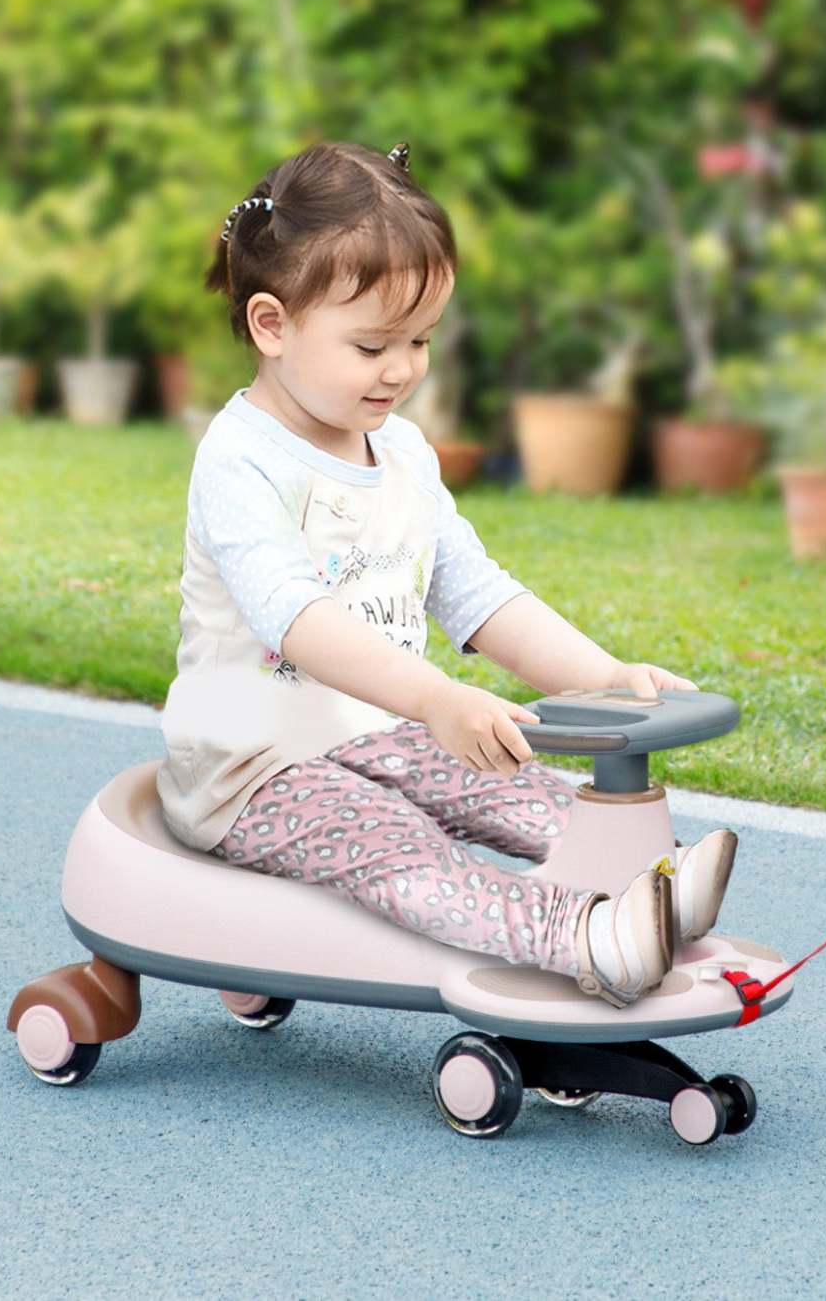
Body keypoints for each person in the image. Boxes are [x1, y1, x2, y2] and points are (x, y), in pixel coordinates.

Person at [156, 139, 738, 1008]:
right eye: (371, 344)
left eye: (420, 338)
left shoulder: (399, 450)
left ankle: (640, 886)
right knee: (394, 839)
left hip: (372, 733)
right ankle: (575, 936)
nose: (401, 368)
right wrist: (436, 698)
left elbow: (473, 588)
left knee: (516, 784)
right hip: (254, 767)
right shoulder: (241, 459)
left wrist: (604, 678)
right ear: (271, 326)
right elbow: (296, 619)